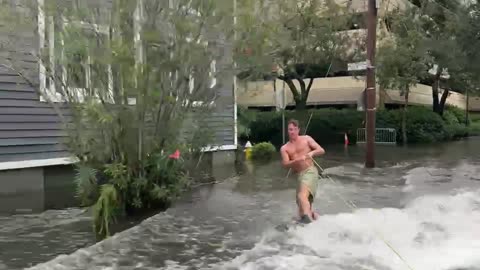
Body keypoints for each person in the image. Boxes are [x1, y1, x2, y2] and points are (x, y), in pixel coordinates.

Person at [280, 119, 325, 224]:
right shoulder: (284, 148)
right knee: (302, 208)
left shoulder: (306, 139)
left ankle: (309, 223)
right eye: (290, 129)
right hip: (299, 176)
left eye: (295, 129)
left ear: (298, 130)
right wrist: (296, 161)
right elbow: (285, 164)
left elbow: (321, 150)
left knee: (302, 196)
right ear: (288, 131)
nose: (292, 132)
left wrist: (312, 153)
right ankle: (315, 219)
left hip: (310, 171)